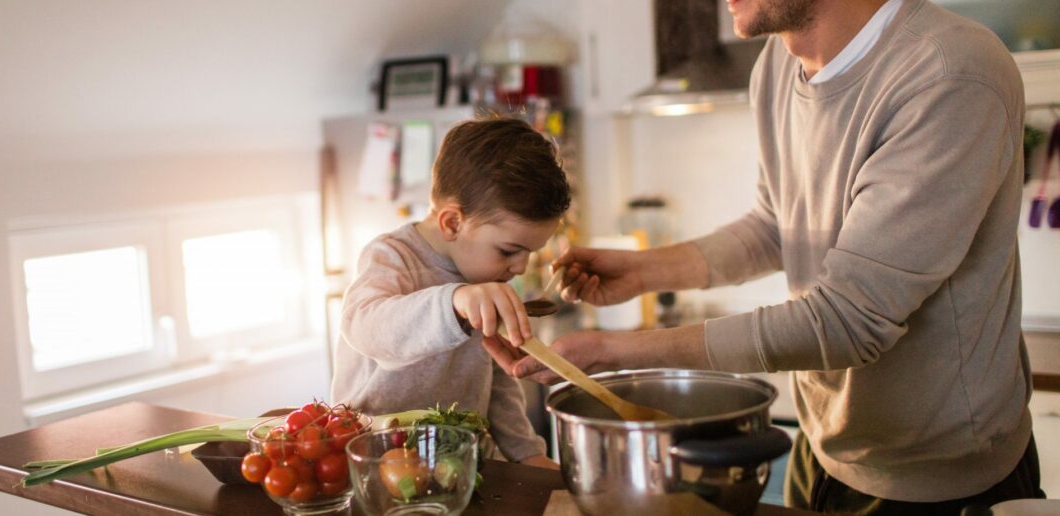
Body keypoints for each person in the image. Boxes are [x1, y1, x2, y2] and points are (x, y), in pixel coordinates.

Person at [484, 0, 1047, 512]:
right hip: (823, 449)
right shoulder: (776, 66)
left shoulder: (949, 74)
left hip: (939, 478)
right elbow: (776, 227)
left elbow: (850, 321)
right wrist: (644, 270)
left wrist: (617, 352)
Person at [331, 117, 569, 470]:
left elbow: (497, 378)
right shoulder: (392, 256)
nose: (520, 267)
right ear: (453, 223)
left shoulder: (484, 273)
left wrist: (526, 451)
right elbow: (365, 327)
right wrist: (454, 302)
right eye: (508, 251)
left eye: (530, 252)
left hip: (460, 465)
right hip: (377, 463)